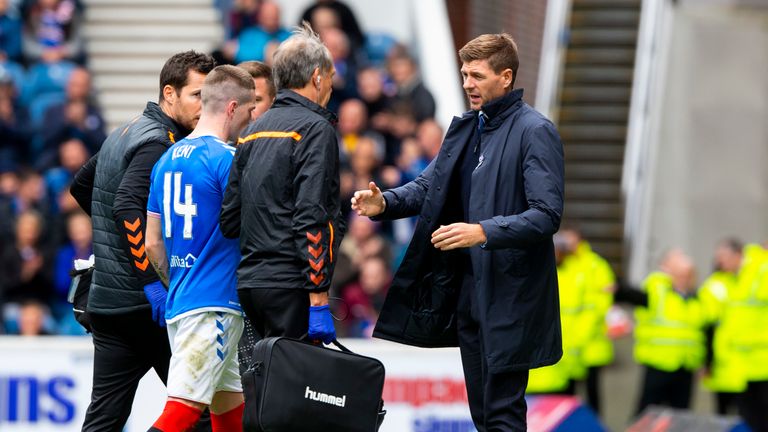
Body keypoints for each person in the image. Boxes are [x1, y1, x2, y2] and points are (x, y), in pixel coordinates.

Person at [351, 33, 565, 431]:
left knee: (502, 414)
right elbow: (428, 188)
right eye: (465, 74)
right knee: (484, 414)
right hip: (469, 294)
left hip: (510, 298)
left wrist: (481, 231)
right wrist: (386, 203)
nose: (467, 83)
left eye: (477, 75)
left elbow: (546, 215)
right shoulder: (468, 129)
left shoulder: (535, 130)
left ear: (505, 77)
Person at [69, 50, 216, 431]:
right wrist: (150, 280)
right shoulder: (159, 142)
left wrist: (112, 242)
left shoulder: (128, 129)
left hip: (109, 304)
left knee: (104, 418)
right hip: (146, 306)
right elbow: (126, 208)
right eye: (197, 95)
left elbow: (82, 185)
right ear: (170, 93)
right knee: (199, 411)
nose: (206, 105)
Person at [145, 65, 254, 432]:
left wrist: (179, 276)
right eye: (251, 107)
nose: (253, 116)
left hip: (183, 298)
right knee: (183, 412)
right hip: (213, 305)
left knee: (229, 408)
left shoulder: (165, 161)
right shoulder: (227, 160)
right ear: (232, 107)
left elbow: (152, 242)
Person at [220, 23, 341, 348]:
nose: (332, 83)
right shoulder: (315, 129)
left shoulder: (252, 131)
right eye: (330, 75)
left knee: (265, 386)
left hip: (249, 286)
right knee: (296, 391)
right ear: (317, 76)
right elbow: (311, 215)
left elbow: (230, 219)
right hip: (293, 286)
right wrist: (318, 298)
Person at [615, 249, 706, 415]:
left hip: (685, 365)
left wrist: (706, 362)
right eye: (680, 273)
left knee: (681, 416)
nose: (686, 278)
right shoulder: (657, 292)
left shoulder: (697, 299)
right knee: (647, 413)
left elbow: (704, 331)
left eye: (688, 273)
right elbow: (632, 295)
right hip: (658, 364)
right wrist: (616, 288)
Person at [698, 238, 743, 416]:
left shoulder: (750, 281)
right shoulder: (715, 285)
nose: (719, 260)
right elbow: (708, 326)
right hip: (723, 364)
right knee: (723, 414)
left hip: (751, 365)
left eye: (724, 256)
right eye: (718, 256)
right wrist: (707, 361)